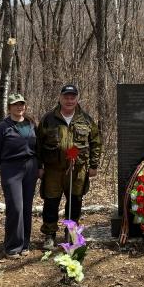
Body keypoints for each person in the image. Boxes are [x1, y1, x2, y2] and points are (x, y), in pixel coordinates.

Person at [37, 84, 102, 249]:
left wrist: (93, 165)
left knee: (74, 202)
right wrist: (39, 166)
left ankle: (71, 233)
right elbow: (37, 144)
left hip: (78, 170)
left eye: (72, 97)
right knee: (51, 203)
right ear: (60, 98)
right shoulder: (48, 119)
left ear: (77, 99)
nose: (69, 100)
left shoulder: (86, 119)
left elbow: (96, 142)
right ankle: (50, 235)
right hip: (53, 170)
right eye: (66, 97)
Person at [0, 93, 40, 259]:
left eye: (22, 104)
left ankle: (25, 244)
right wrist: (5, 168)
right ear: (9, 107)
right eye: (16, 104)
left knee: (26, 207)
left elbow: (38, 147)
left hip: (31, 168)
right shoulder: (2, 127)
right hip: (11, 169)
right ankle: (12, 246)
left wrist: (40, 166)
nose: (20, 107)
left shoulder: (31, 124)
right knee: (15, 208)